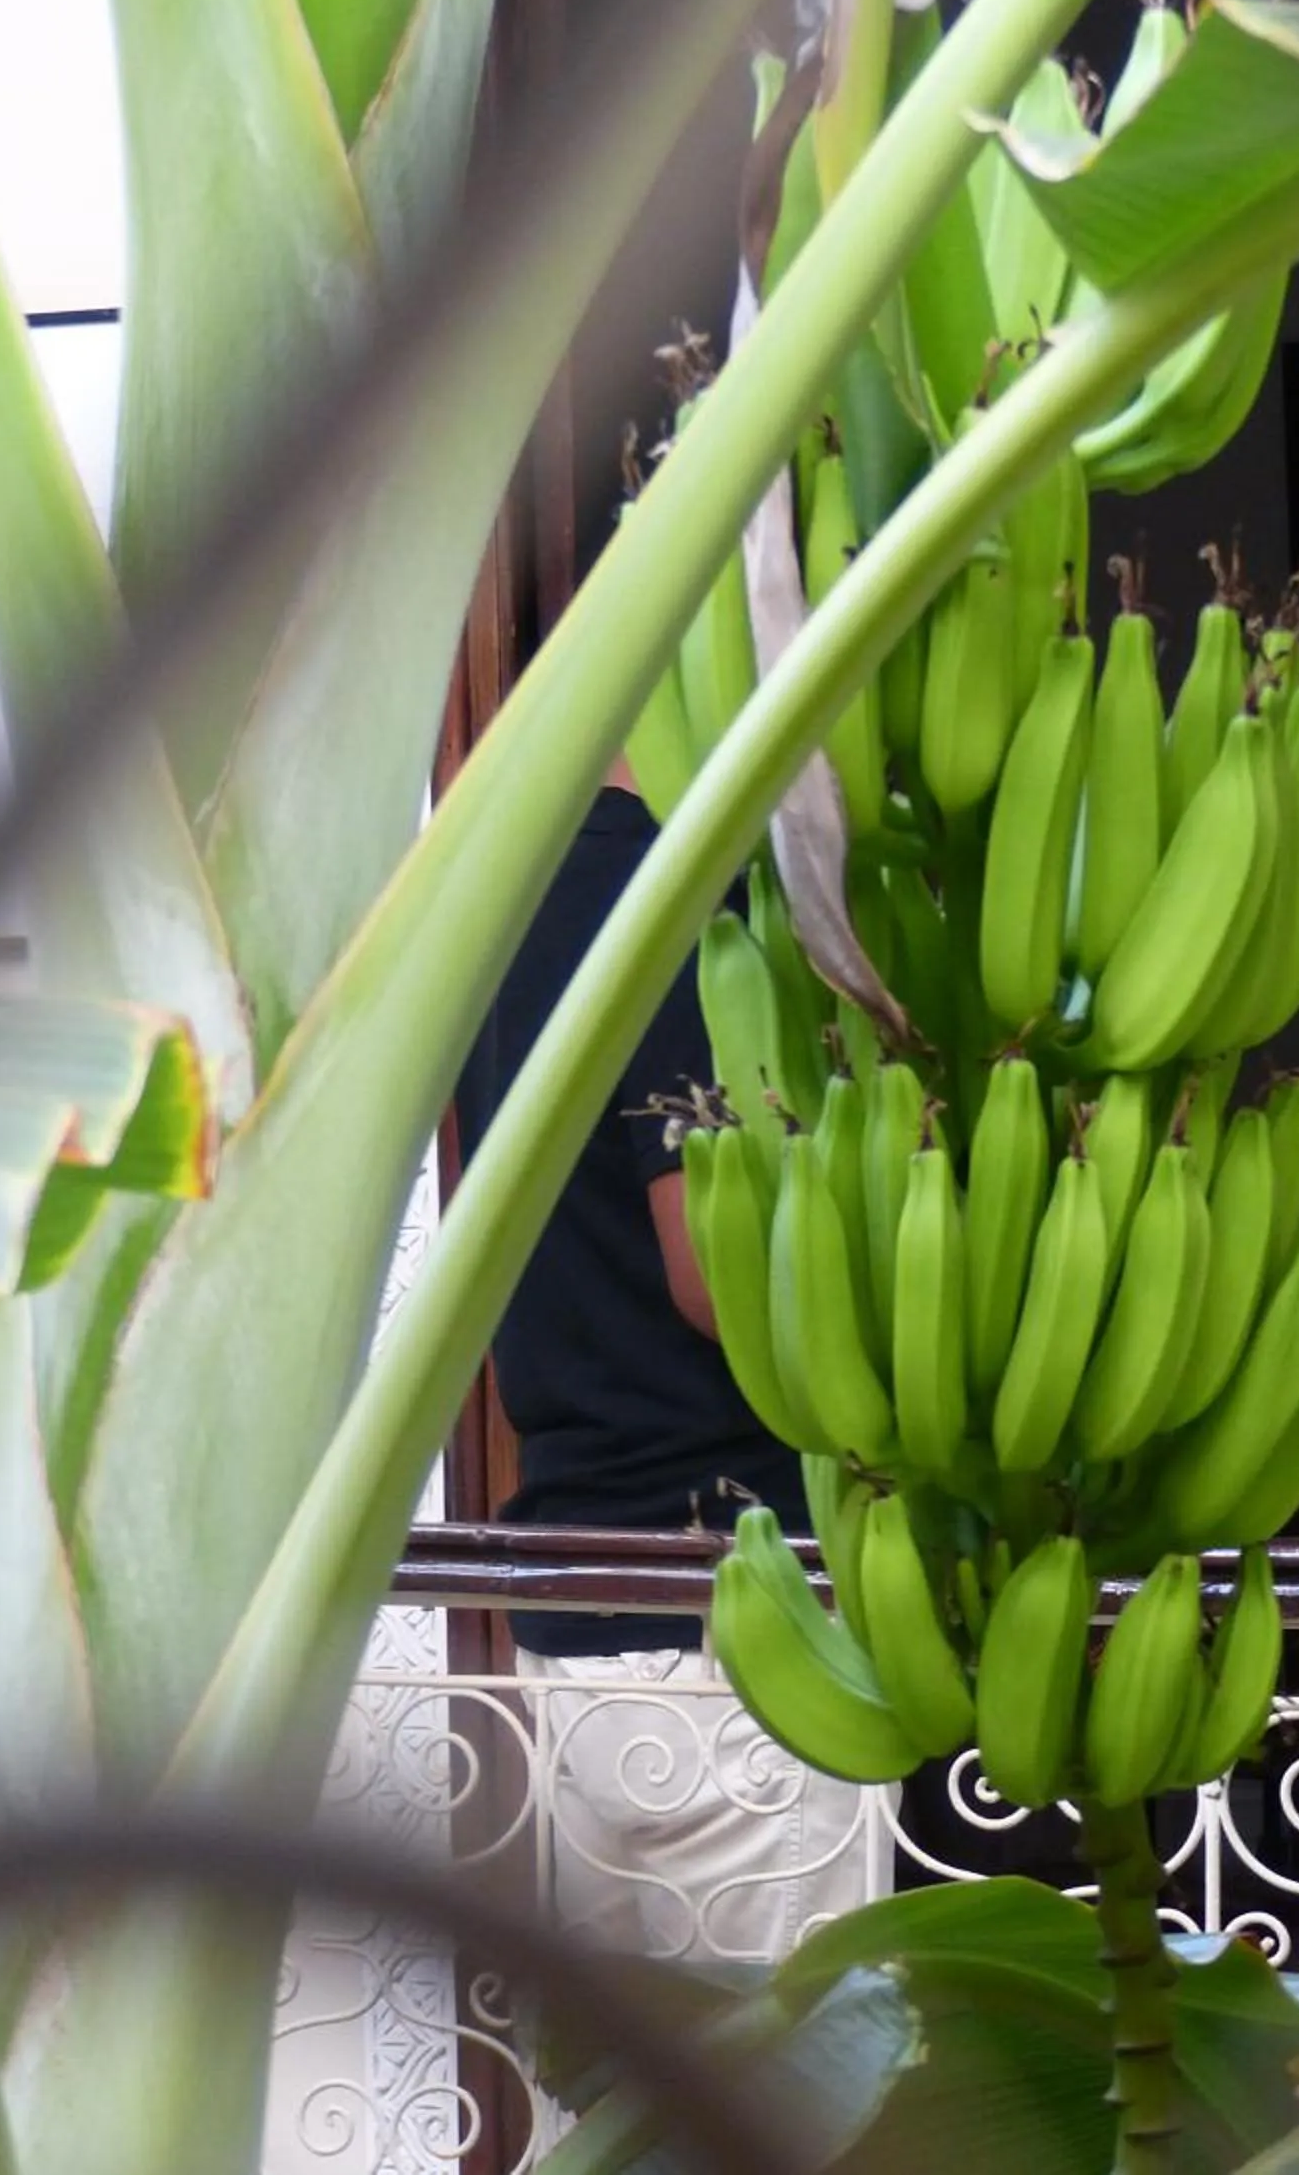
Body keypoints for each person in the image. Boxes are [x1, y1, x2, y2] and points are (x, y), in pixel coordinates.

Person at [453, 765, 878, 1960]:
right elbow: (714, 1272)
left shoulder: (514, 885)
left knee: (634, 2122)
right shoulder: (688, 888)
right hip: (735, 1636)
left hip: (579, 1605)